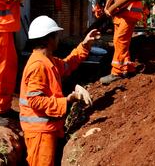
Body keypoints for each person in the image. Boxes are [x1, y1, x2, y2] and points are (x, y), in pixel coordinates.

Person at [19, 15, 100, 166]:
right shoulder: (38, 66)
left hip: (47, 129)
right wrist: (67, 101)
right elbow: (35, 101)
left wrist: (85, 45)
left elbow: (68, 64)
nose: (58, 39)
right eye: (56, 35)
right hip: (40, 132)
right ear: (48, 39)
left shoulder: (48, 60)